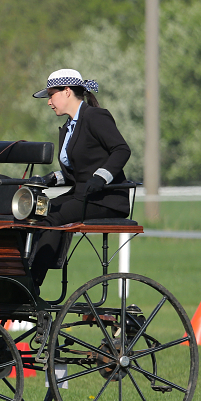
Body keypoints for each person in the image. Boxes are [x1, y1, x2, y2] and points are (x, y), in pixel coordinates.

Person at [29, 69, 131, 286]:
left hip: (106, 198)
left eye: (51, 94)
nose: (49, 102)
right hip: (81, 195)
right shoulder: (68, 127)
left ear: (67, 91)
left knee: (51, 217)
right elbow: (77, 170)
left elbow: (121, 150)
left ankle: (32, 284)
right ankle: (20, 273)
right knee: (36, 211)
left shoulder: (95, 116)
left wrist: (101, 178)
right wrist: (49, 179)